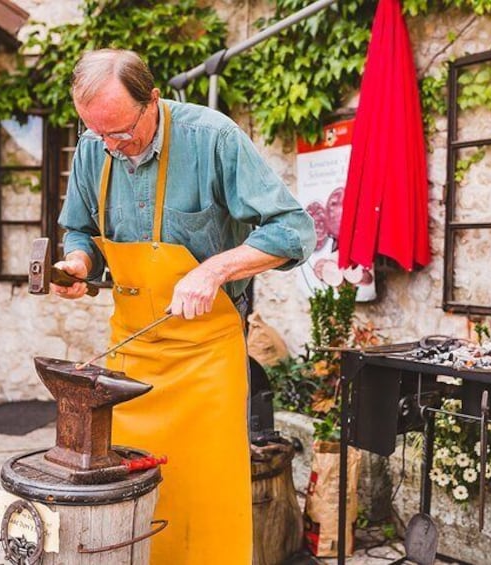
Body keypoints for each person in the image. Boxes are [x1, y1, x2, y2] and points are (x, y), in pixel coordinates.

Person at [53, 48, 315, 564]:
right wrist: (79, 264)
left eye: (121, 132)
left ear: (152, 99)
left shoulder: (211, 138)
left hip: (205, 361)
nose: (111, 146)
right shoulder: (94, 148)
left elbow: (293, 230)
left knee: (206, 501)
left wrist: (214, 269)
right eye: (97, 133)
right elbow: (79, 229)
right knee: (131, 499)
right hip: (130, 364)